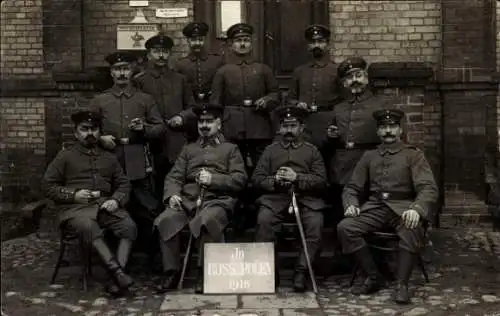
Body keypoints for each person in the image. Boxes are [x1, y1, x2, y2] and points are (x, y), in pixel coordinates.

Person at [337, 109, 438, 304]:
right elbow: (352, 187)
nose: (388, 131)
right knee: (346, 228)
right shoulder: (369, 156)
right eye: (384, 127)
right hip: (375, 207)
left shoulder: (413, 155)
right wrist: (351, 204)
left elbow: (428, 187)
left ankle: (402, 284)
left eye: (392, 127)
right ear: (378, 132)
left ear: (400, 130)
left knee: (412, 227)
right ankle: (374, 276)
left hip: (404, 207)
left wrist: (416, 209)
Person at [153, 103, 247, 294]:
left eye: (209, 122)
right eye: (201, 122)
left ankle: (206, 271)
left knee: (207, 221)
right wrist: (172, 195)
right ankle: (171, 271)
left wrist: (214, 179)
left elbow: (240, 180)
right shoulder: (188, 149)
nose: (204, 126)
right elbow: (174, 176)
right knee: (166, 220)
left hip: (217, 201)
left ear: (219, 124)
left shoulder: (231, 149)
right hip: (188, 200)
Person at [42, 111, 138, 297]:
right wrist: (73, 195)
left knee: (128, 226)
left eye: (94, 129)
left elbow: (124, 183)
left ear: (100, 132)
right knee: (88, 226)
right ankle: (118, 274)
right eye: (84, 129)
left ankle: (114, 279)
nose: (89, 133)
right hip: (74, 210)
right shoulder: (65, 157)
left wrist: (115, 199)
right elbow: (47, 185)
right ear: (76, 133)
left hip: (103, 206)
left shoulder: (109, 157)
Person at [90, 51, 165, 254]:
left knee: (147, 206)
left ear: (132, 71)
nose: (121, 73)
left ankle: (151, 255)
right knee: (111, 205)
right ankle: (113, 255)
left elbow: (160, 128)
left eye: (125, 69)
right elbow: (88, 130)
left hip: (137, 158)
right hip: (110, 159)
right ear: (111, 73)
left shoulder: (145, 99)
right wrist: (100, 138)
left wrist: (144, 128)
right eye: (117, 69)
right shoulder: (100, 100)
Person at [252, 105, 327, 292]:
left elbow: (321, 181)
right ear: (279, 128)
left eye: (293, 126)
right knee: (264, 221)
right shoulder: (270, 151)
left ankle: (302, 271)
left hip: (306, 199)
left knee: (315, 224)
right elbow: (257, 179)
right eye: (285, 126)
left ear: (301, 127)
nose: (288, 130)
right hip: (275, 198)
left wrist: (298, 178)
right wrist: (275, 180)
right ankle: (270, 271)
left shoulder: (312, 151)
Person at [324, 57, 393, 215]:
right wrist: (331, 136)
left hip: (367, 164)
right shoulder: (339, 108)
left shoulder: (380, 106)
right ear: (344, 83)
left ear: (366, 78)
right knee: (340, 212)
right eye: (349, 77)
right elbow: (330, 143)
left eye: (358, 76)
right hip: (341, 167)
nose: (355, 80)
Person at [209, 22, 279, 173]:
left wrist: (266, 100)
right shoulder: (223, 72)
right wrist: (217, 127)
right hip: (232, 126)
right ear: (231, 44)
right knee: (233, 166)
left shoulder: (263, 69)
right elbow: (215, 102)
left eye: (246, 40)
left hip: (259, 126)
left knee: (261, 167)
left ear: (251, 44)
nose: (242, 44)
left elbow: (275, 94)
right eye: (238, 41)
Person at [134, 34, 196, 202]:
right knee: (152, 181)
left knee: (178, 178)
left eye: (165, 51)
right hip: (151, 140)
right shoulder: (140, 81)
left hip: (176, 139)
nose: (161, 55)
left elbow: (192, 107)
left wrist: (182, 117)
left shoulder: (180, 79)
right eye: (156, 52)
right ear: (149, 55)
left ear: (169, 54)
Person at [289, 24, 341, 151]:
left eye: (320, 41)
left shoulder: (337, 70)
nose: (316, 45)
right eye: (313, 42)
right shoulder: (299, 71)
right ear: (308, 46)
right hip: (306, 124)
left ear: (327, 45)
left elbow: (345, 100)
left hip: (329, 121)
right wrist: (298, 104)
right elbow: (291, 98)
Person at [173, 22, 224, 142]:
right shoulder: (181, 64)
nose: (197, 43)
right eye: (193, 40)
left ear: (205, 40)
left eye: (200, 40)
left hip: (213, 107)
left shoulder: (216, 61)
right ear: (188, 41)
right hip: (191, 110)